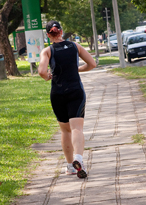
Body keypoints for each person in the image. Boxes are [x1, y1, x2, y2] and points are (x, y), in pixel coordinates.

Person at [38, 21, 97, 179]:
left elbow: (41, 71)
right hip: (75, 91)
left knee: (65, 130)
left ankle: (71, 165)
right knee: (77, 128)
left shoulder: (47, 51)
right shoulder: (75, 46)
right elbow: (92, 64)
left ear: (48, 35)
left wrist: (47, 77)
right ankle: (79, 158)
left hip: (57, 93)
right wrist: (78, 69)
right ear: (61, 31)